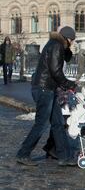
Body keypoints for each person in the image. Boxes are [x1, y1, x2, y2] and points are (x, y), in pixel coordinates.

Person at [16, 26, 77, 166]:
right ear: (67, 38)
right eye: (72, 40)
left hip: (48, 88)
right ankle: (23, 153)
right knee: (41, 124)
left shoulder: (55, 44)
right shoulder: (56, 46)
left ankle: (64, 157)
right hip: (45, 89)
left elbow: (66, 60)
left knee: (58, 123)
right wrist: (69, 84)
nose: (72, 43)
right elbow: (55, 71)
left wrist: (67, 49)